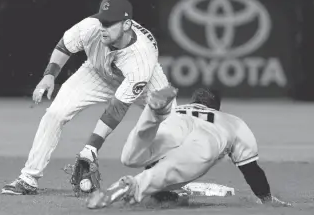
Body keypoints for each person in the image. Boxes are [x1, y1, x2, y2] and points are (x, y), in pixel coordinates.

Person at [1, 0, 173, 195]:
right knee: (55, 113)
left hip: (147, 83)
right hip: (97, 72)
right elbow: (64, 46)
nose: (103, 27)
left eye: (109, 24)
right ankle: (28, 178)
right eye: (102, 21)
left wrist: (91, 147)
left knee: (171, 121)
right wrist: (49, 76)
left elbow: (117, 108)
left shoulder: (142, 59)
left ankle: (172, 181)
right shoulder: (90, 27)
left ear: (127, 25)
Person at [86, 86, 292, 209]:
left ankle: (152, 113)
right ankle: (135, 185)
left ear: (194, 102)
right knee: (169, 169)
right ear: (216, 107)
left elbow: (156, 161)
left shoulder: (181, 109)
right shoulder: (230, 120)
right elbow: (250, 169)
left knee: (132, 156)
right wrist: (265, 197)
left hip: (170, 125)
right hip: (206, 139)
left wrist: (161, 193)